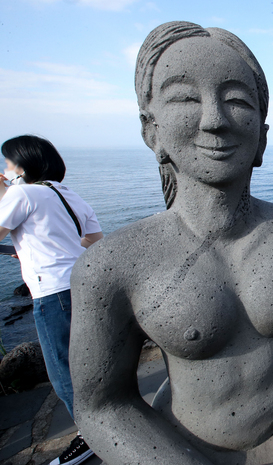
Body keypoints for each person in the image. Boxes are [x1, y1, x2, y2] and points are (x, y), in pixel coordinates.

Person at [70, 22, 273, 464]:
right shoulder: (112, 267)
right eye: (184, 98)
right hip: (183, 446)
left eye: (237, 100)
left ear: (263, 137)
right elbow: (102, 405)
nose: (214, 119)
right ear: (152, 132)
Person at [0, 135, 104, 465]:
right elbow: (93, 239)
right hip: (83, 286)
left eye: (7, 163)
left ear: (21, 166)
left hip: (53, 293)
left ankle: (93, 436)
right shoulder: (68, 194)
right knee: (91, 363)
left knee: (63, 373)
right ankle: (110, 421)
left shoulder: (21, 193)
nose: (4, 168)